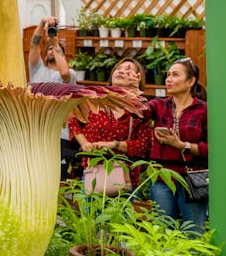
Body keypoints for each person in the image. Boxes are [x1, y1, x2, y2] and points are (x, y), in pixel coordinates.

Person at [69, 58, 152, 190]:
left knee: (120, 210)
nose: (121, 71)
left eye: (128, 70)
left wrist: (114, 144)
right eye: (118, 68)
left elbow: (143, 145)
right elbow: (74, 121)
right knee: (91, 209)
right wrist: (84, 142)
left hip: (124, 176)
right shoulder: (95, 99)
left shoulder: (140, 109)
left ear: (137, 78)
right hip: (94, 170)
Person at [146, 57, 208, 233]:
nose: (168, 79)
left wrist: (182, 145)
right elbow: (140, 112)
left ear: (190, 81)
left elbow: (213, 148)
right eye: (167, 75)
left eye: (175, 75)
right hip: (162, 179)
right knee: (162, 233)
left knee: (193, 233)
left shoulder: (204, 110)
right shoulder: (158, 106)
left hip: (193, 181)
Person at [28, 16, 77, 179]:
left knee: (58, 178)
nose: (51, 50)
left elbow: (64, 74)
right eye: (48, 49)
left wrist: (55, 42)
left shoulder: (71, 74)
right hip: (35, 132)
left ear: (62, 56)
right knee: (35, 176)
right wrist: (42, 22)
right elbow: (34, 44)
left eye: (55, 50)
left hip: (60, 135)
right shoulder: (37, 69)